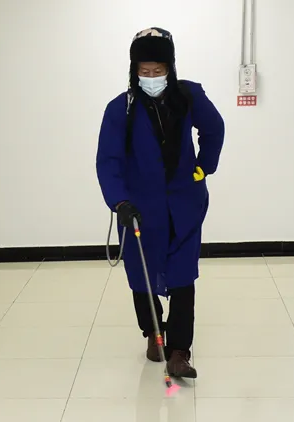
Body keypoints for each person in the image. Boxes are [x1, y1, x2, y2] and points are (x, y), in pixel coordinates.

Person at [96, 27, 224, 378]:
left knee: (183, 275)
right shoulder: (120, 109)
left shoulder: (189, 95)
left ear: (170, 68)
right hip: (140, 208)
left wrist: (204, 166)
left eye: (159, 70)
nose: (151, 77)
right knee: (142, 273)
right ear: (134, 70)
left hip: (184, 205)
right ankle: (154, 336)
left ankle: (179, 351)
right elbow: (108, 160)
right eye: (144, 70)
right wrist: (119, 202)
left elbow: (214, 128)